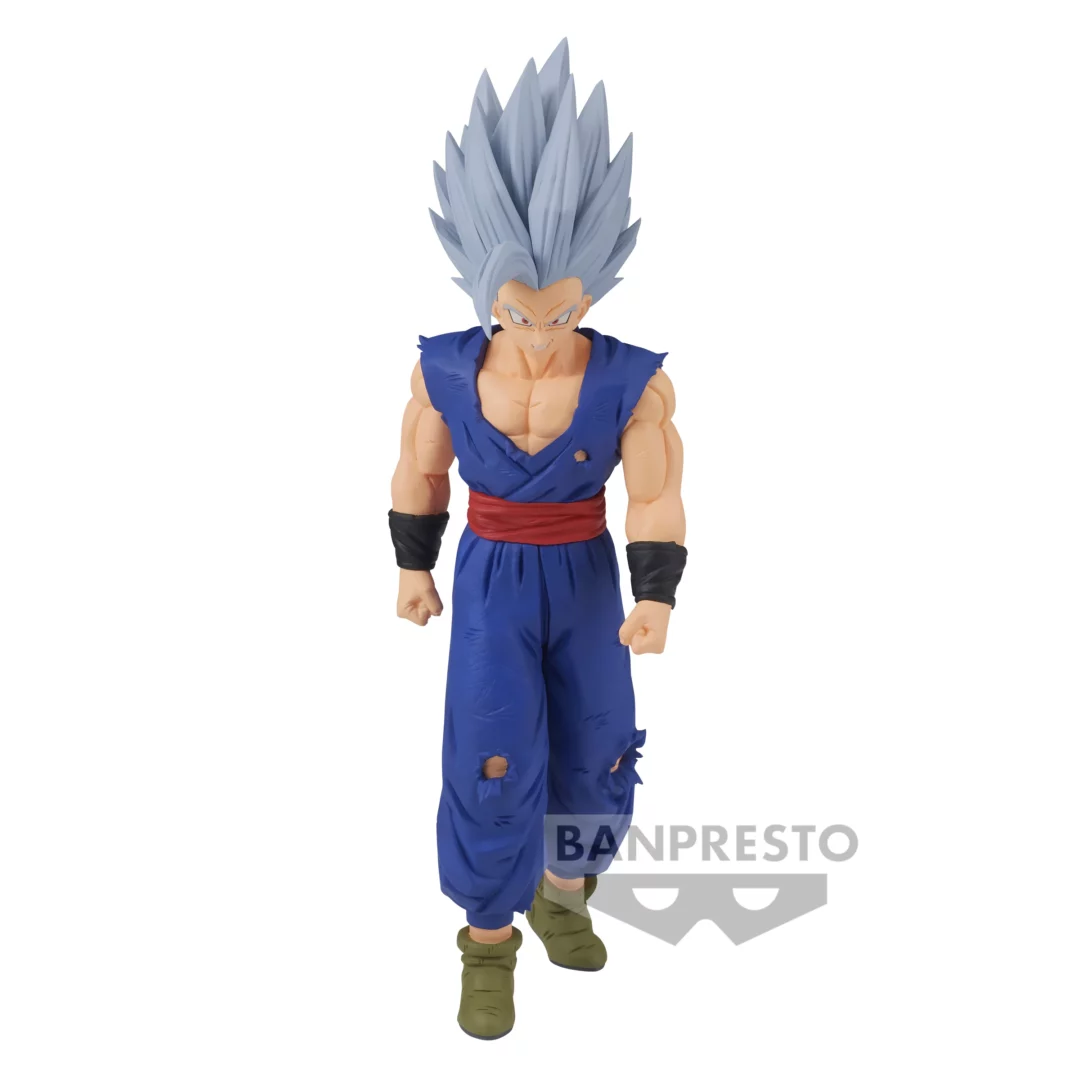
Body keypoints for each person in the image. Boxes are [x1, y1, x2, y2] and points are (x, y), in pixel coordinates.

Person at [388, 39, 687, 1040]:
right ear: (481, 286)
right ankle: (486, 942)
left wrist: (655, 595)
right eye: (518, 310)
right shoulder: (442, 369)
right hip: (490, 578)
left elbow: (655, 494)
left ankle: (564, 898)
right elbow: (420, 470)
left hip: (586, 574)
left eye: (561, 310)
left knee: (598, 743)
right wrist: (413, 567)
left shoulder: (632, 380)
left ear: (592, 289)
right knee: (489, 749)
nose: (540, 330)